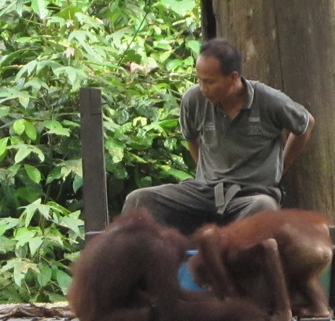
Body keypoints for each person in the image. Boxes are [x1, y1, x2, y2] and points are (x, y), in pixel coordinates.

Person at [122, 38, 315, 235]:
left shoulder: (268, 100)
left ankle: (229, 248)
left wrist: (281, 167)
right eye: (199, 80)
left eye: (209, 82)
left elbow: (306, 123)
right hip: (204, 192)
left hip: (250, 195)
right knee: (139, 199)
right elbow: (192, 139)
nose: (202, 88)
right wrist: (208, 173)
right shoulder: (194, 99)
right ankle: (140, 254)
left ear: (233, 78)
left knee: (264, 207)